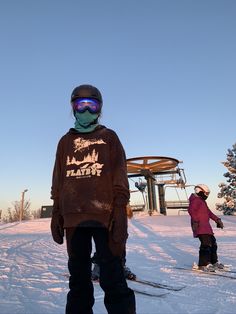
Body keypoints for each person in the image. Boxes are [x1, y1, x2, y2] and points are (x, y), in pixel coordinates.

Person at [50, 84, 136, 314]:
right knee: (78, 280)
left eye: (92, 105)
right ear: (73, 108)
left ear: (99, 109)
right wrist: (57, 210)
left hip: (105, 217)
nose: (86, 110)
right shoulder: (64, 142)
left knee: (112, 276)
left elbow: (119, 174)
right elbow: (58, 178)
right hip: (73, 220)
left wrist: (119, 209)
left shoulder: (109, 137)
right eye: (81, 105)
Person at [91, 203, 136, 281]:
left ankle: (121, 266)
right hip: (103, 213)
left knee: (120, 243)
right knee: (103, 242)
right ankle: (98, 266)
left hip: (118, 214)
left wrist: (126, 206)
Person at [188, 184, 224, 272]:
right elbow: (191, 210)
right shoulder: (195, 200)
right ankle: (203, 264)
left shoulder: (202, 201)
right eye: (206, 193)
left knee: (213, 244)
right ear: (199, 191)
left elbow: (209, 213)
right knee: (206, 245)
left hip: (207, 228)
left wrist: (217, 220)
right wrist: (195, 221)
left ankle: (213, 262)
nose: (207, 195)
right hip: (200, 227)